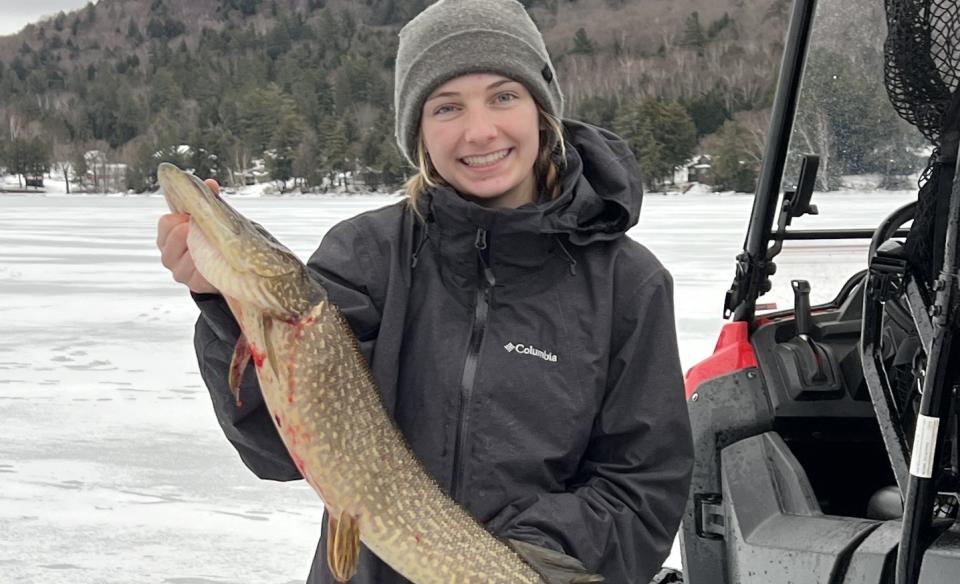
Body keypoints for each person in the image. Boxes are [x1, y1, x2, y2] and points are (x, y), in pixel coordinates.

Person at [156, 0, 694, 582]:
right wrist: (223, 306)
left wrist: (522, 562)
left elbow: (642, 488)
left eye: (504, 96)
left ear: (542, 110)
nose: (480, 130)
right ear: (419, 131)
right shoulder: (367, 255)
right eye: (447, 107)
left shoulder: (628, 285)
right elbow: (274, 449)